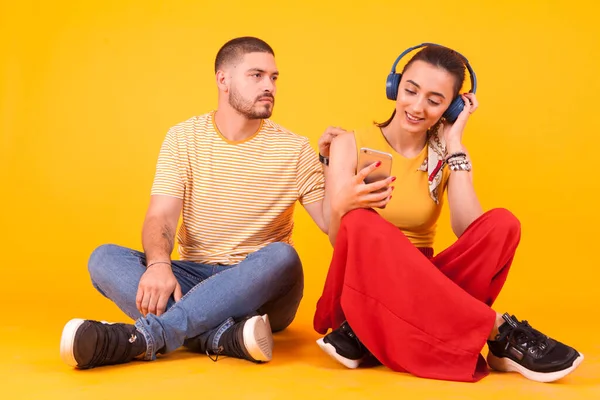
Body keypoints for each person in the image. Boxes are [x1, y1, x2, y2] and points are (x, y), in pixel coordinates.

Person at [313, 43, 583, 383]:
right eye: (410, 91)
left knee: (503, 223)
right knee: (361, 221)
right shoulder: (347, 144)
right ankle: (499, 331)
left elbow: (472, 231)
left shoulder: (445, 153)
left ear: (451, 107)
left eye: (434, 100)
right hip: (362, 283)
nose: (417, 106)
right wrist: (342, 203)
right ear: (394, 88)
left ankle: (368, 336)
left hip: (429, 285)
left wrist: (455, 145)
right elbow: (340, 240)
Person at [59, 36, 328, 369]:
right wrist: (159, 265)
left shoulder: (295, 150)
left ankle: (147, 338)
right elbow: (161, 217)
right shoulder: (183, 138)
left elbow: (333, 226)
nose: (269, 85)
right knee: (103, 258)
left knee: (283, 257)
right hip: (194, 277)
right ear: (223, 79)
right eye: (256, 75)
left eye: (273, 78)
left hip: (260, 288)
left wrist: (337, 170)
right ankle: (223, 338)